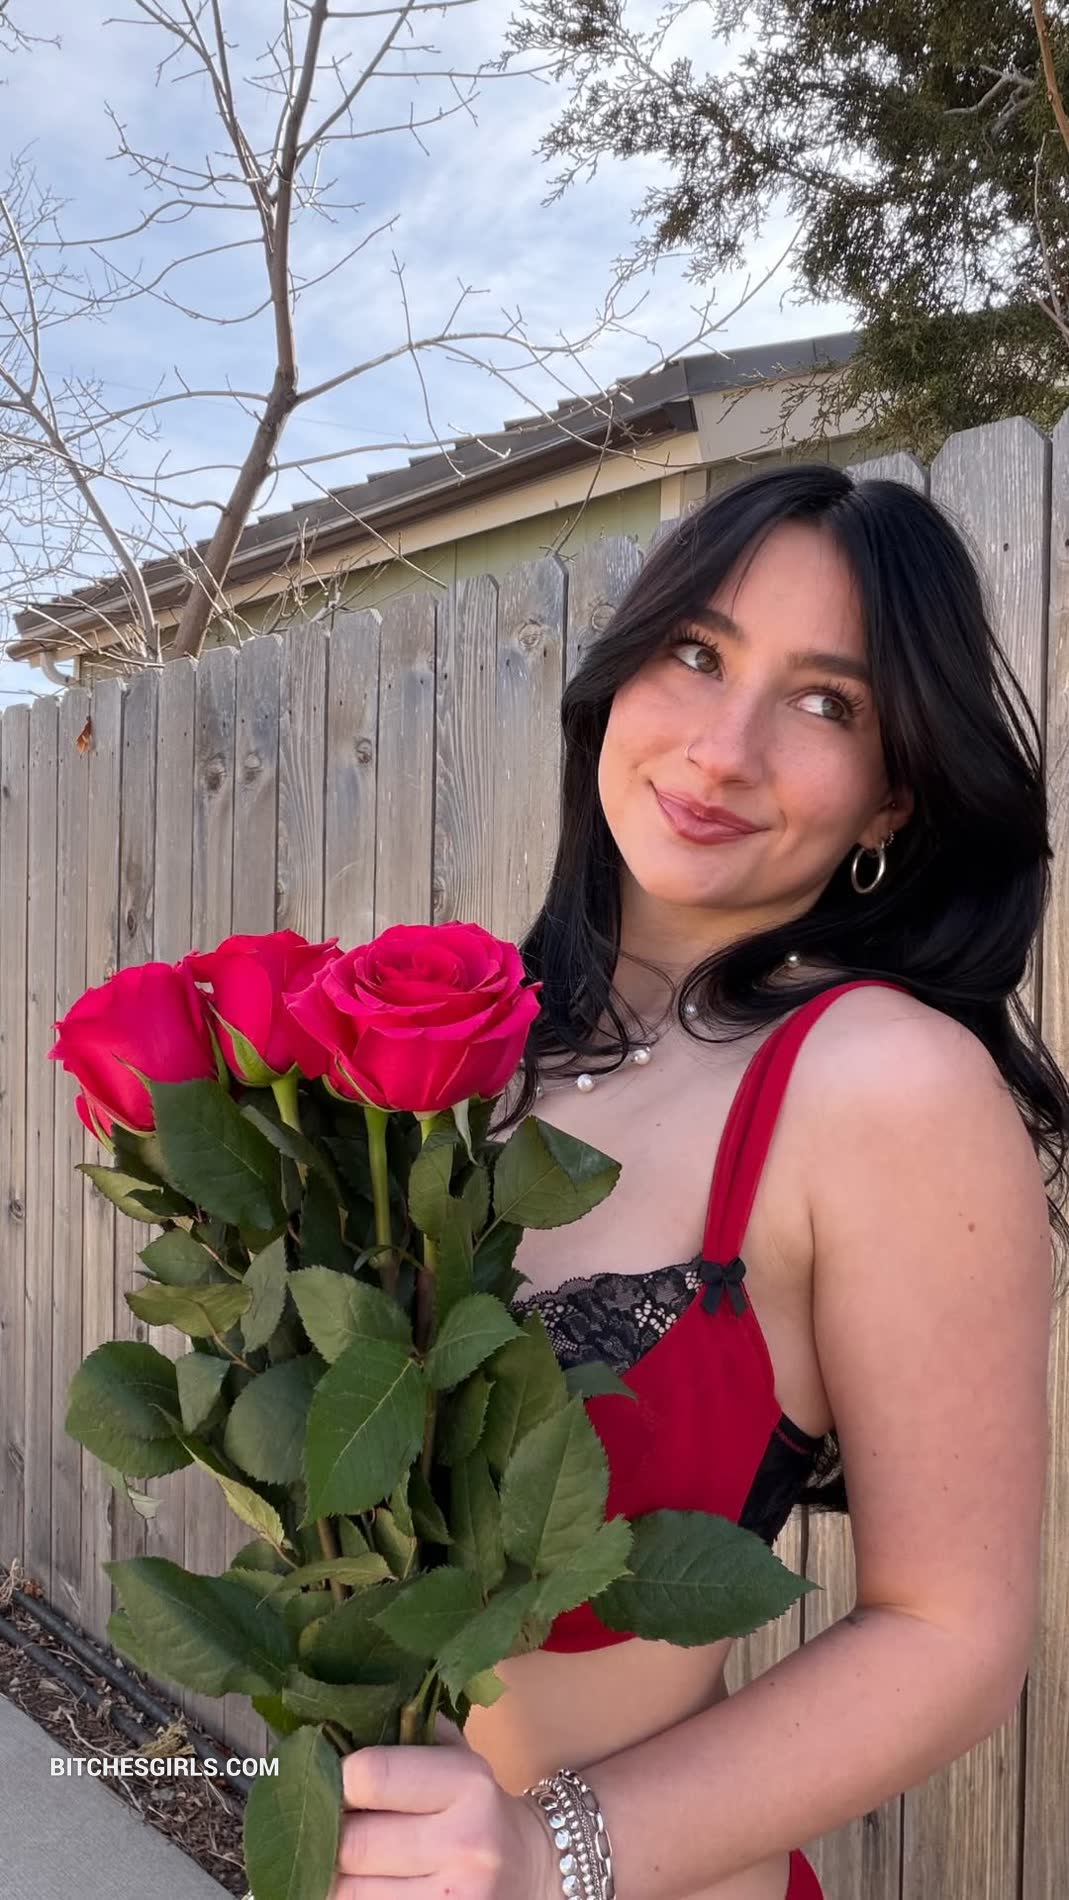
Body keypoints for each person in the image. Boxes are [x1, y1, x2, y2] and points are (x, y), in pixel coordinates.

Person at [327, 463, 1068, 1900]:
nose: (723, 749)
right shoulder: (475, 1055)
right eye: (695, 653)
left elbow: (952, 1636)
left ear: (889, 800)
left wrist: (546, 1853)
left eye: (824, 703)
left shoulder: (883, 1085)